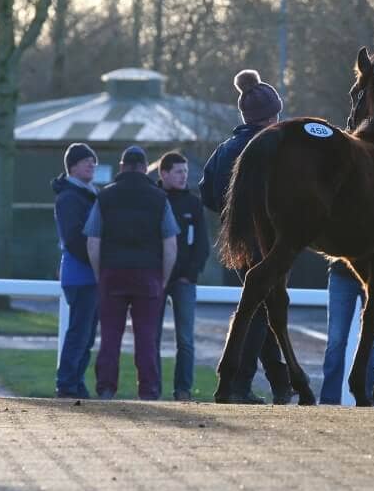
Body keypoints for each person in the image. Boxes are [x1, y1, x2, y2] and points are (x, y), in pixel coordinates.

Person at [199, 69, 293, 405]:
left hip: (235, 242)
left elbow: (208, 194)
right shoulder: (276, 148)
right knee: (256, 310)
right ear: (272, 116)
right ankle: (239, 384)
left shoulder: (225, 148)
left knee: (261, 307)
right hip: (267, 241)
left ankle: (280, 383)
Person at [85, 146, 179, 400]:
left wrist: (99, 274)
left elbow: (93, 241)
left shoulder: (105, 197)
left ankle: (106, 388)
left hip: (112, 273)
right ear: (145, 166)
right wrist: (164, 278)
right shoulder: (159, 198)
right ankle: (148, 390)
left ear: (122, 165)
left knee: (110, 336)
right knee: (147, 337)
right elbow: (170, 244)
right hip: (148, 275)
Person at [155, 151, 210, 401]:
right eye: (178, 171)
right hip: (155, 280)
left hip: (184, 282)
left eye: (185, 172)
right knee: (151, 337)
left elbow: (202, 244)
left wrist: (191, 274)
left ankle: (183, 390)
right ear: (163, 173)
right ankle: (150, 388)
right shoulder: (153, 199)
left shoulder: (193, 203)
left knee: (185, 340)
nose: (183, 176)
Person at [52, 143, 99, 398]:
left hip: (89, 275)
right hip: (80, 274)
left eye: (93, 161)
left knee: (87, 333)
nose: (92, 165)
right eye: (86, 161)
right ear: (72, 166)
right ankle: (67, 382)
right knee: (80, 332)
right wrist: (97, 262)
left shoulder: (89, 194)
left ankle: (76, 381)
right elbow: (73, 238)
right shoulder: (70, 198)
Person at [319, 260, 374, 405]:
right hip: (343, 274)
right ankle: (329, 400)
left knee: (373, 342)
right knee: (336, 340)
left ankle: (368, 396)